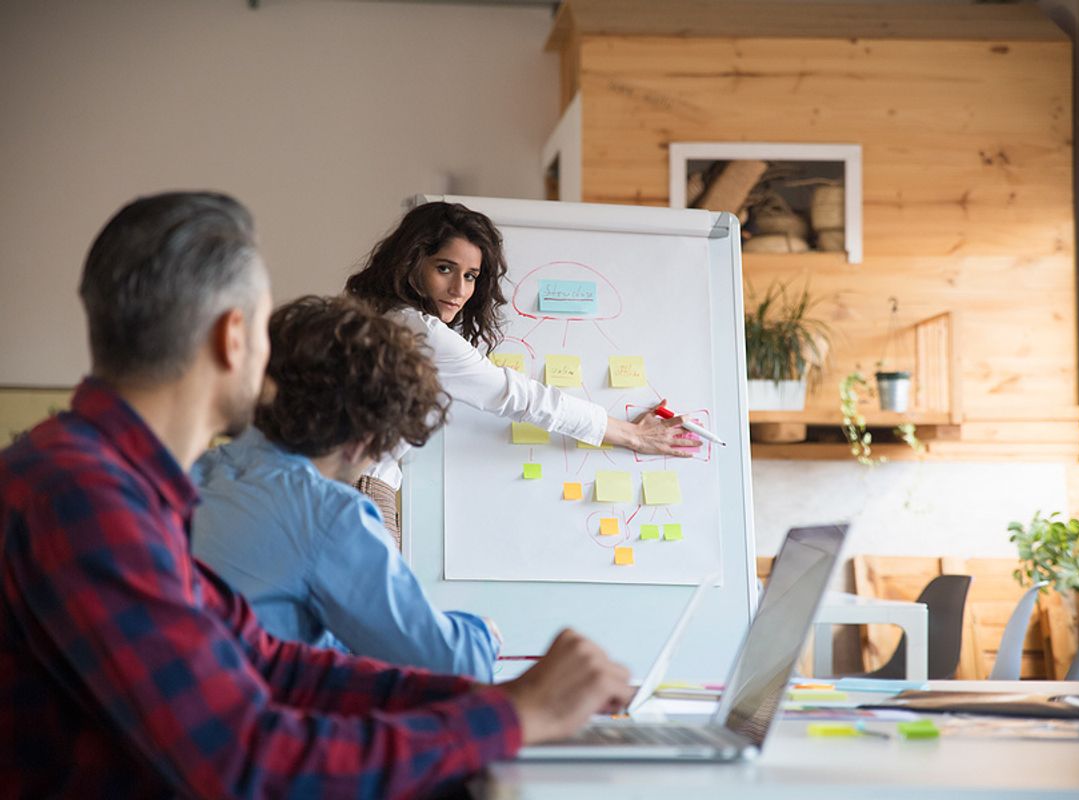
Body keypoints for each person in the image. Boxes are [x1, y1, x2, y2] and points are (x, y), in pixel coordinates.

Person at [0, 191, 631, 797]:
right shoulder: (86, 498)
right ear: (234, 336)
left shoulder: (127, 483)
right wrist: (509, 718)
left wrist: (496, 701)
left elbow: (268, 661)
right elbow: (247, 761)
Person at [192, 294, 500, 681]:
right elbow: (450, 664)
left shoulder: (194, 473)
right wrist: (484, 634)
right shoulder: (330, 514)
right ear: (365, 438)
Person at [344, 201, 701, 534]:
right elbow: (523, 398)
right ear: (410, 263)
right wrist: (633, 435)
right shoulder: (422, 333)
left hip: (345, 487)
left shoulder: (378, 319)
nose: (458, 289)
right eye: (444, 269)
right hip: (361, 491)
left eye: (471, 276)